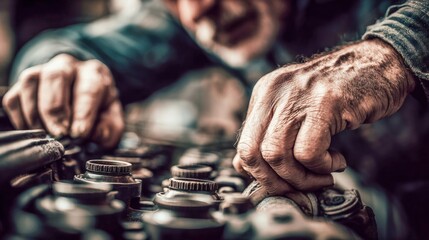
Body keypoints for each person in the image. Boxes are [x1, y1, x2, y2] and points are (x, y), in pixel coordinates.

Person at [2, 0, 429, 195]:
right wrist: (60, 67)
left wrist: (391, 53)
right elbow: (63, 46)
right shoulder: (202, 20)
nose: (196, 12)